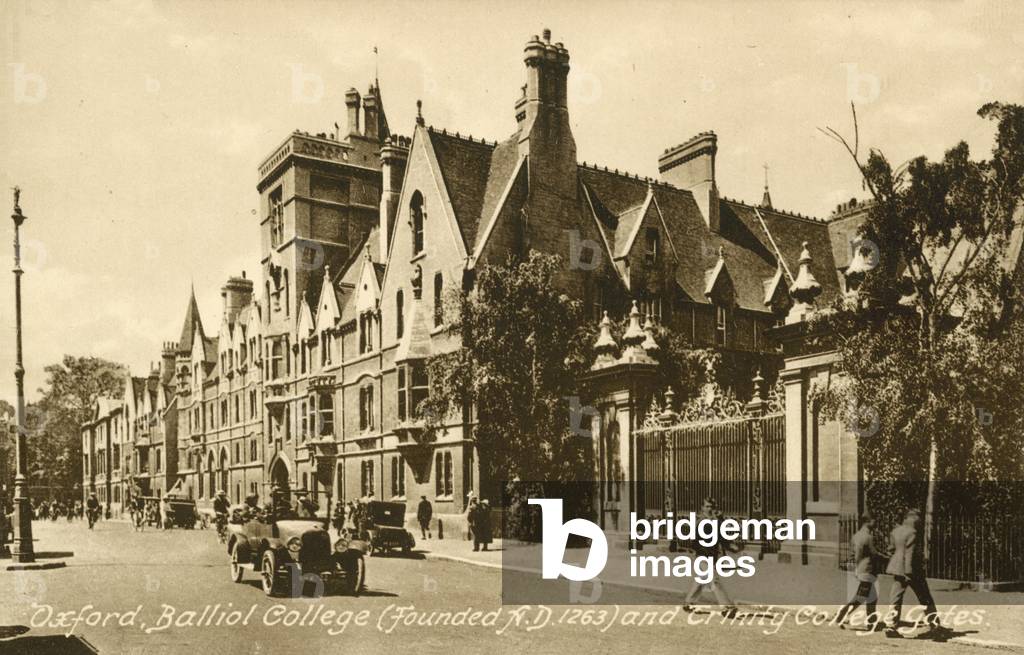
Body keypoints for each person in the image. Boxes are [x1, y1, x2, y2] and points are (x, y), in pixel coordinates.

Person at [884, 509, 945, 637]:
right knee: (925, 597)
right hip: (912, 570)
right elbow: (911, 554)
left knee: (895, 598)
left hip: (897, 569)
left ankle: (891, 625)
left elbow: (890, 550)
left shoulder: (896, 531)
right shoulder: (913, 533)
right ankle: (935, 625)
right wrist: (909, 571)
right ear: (914, 520)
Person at [682, 497, 739, 618]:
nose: (709, 509)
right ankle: (727, 607)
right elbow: (693, 541)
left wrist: (730, 546)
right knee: (714, 580)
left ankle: (688, 603)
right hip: (702, 555)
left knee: (701, 580)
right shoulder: (699, 521)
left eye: (712, 507)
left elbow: (721, 536)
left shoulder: (715, 520)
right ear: (702, 508)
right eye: (707, 506)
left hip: (712, 555)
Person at [835, 513, 883, 631]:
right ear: (868, 522)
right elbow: (873, 553)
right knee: (861, 597)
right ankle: (841, 614)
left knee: (872, 597)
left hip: (863, 569)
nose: (875, 523)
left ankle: (871, 623)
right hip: (867, 570)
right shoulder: (868, 537)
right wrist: (885, 556)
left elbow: (855, 554)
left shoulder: (856, 535)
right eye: (874, 521)